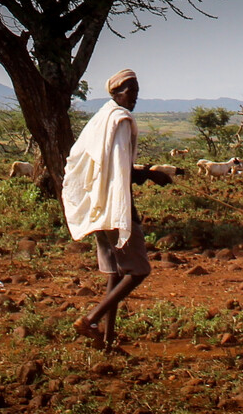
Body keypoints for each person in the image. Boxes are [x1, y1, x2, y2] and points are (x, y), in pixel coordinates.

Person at [61, 68, 148, 350]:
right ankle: (90, 319)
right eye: (129, 90)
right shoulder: (120, 120)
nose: (134, 96)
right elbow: (121, 172)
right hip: (113, 206)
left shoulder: (102, 118)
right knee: (138, 271)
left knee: (116, 273)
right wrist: (149, 178)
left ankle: (107, 340)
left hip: (98, 204)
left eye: (136, 90)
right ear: (115, 92)